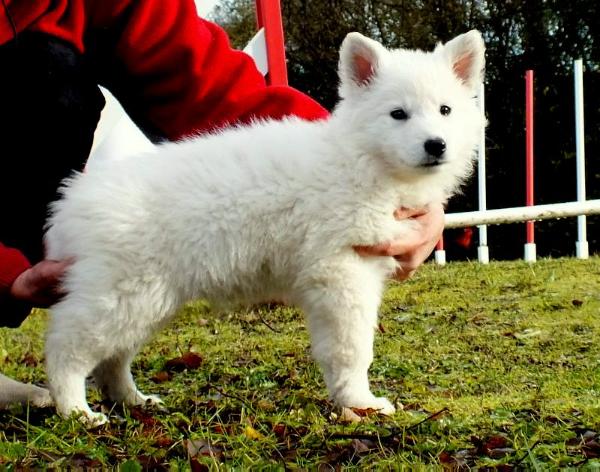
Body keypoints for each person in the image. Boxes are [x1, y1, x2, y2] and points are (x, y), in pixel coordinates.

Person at [0, 0, 444, 407]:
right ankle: (70, 376)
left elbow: (214, 88)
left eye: (444, 111)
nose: (431, 134)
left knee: (139, 305)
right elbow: (342, 285)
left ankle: (112, 382)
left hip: (135, 201)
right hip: (138, 211)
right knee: (133, 297)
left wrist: (423, 206)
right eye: (400, 115)